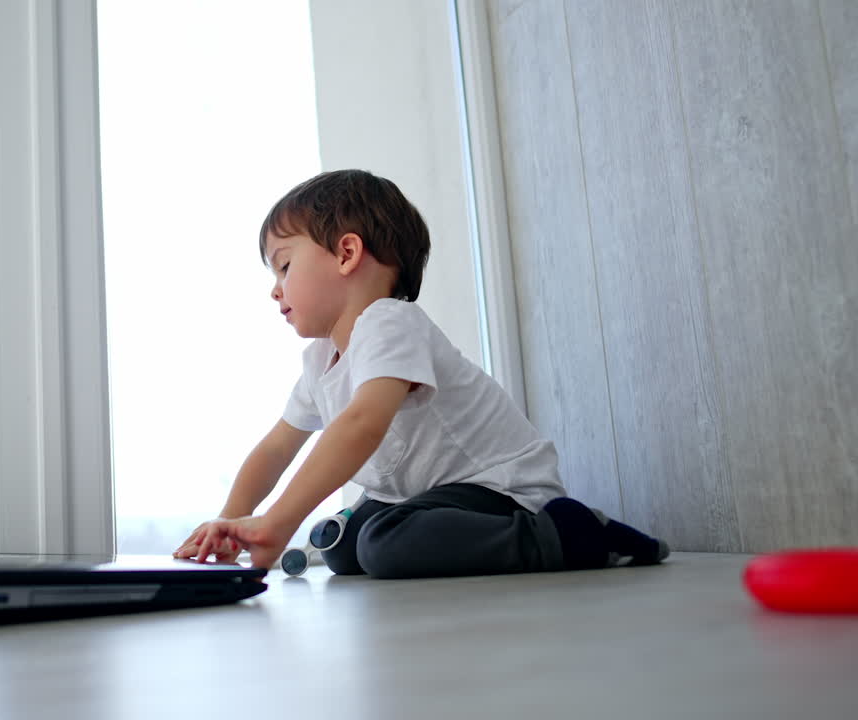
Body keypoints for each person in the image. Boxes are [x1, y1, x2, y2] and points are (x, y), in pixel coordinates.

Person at [172, 169, 668, 578]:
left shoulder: (390, 322)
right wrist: (232, 519)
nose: (275, 289)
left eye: (283, 266)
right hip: (426, 494)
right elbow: (278, 446)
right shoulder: (322, 358)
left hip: (498, 489)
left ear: (346, 253)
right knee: (348, 552)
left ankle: (567, 533)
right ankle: (376, 530)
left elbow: (362, 423)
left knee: (383, 546)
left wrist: (280, 519)